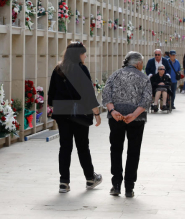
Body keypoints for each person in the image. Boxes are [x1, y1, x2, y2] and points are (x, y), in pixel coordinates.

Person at [47, 41, 102, 193]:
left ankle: (63, 182)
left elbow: (51, 95)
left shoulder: (58, 69)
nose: (85, 56)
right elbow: (89, 93)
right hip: (80, 114)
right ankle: (90, 178)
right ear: (78, 54)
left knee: (65, 147)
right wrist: (96, 113)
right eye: (84, 53)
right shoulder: (82, 69)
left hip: (62, 114)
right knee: (83, 147)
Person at [102, 51, 153, 198]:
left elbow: (106, 93)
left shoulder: (115, 75)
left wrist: (113, 111)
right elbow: (147, 99)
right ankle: (129, 187)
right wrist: (134, 115)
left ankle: (116, 184)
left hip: (116, 118)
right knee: (133, 151)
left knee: (116, 149)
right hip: (136, 119)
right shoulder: (144, 78)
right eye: (142, 63)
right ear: (138, 63)